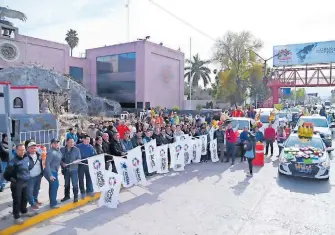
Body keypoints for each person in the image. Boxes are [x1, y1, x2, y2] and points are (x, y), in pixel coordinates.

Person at [4, 144, 36, 224]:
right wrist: (13, 180)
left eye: (23, 149)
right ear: (16, 151)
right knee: (17, 200)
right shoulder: (13, 162)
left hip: (25, 182)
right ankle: (16, 216)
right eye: (20, 150)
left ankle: (24, 211)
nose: (22, 151)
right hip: (17, 184)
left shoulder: (26, 158)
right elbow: (6, 175)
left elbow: (29, 167)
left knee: (24, 198)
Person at [60, 138, 81, 203]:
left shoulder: (76, 149)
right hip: (66, 170)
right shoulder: (62, 149)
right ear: (66, 142)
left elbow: (79, 159)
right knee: (66, 184)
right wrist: (62, 163)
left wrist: (76, 161)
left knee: (75, 184)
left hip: (74, 169)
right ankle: (66, 196)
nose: (72, 143)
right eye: (70, 142)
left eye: (73, 142)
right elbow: (59, 158)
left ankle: (75, 197)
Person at [44, 139, 62, 208]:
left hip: (55, 171)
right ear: (51, 144)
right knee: (55, 186)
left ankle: (53, 201)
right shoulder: (51, 152)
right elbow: (47, 164)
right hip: (50, 172)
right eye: (54, 143)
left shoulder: (58, 151)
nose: (56, 144)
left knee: (53, 186)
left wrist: (63, 164)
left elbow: (59, 160)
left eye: (57, 143)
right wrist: (50, 175)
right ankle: (53, 204)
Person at [26, 142, 43, 211]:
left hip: (38, 176)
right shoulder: (25, 156)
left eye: (34, 148)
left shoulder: (39, 155)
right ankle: (32, 203)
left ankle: (35, 200)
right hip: (30, 177)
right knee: (30, 191)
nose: (33, 150)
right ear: (28, 149)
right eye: (31, 148)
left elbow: (42, 164)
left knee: (37, 189)